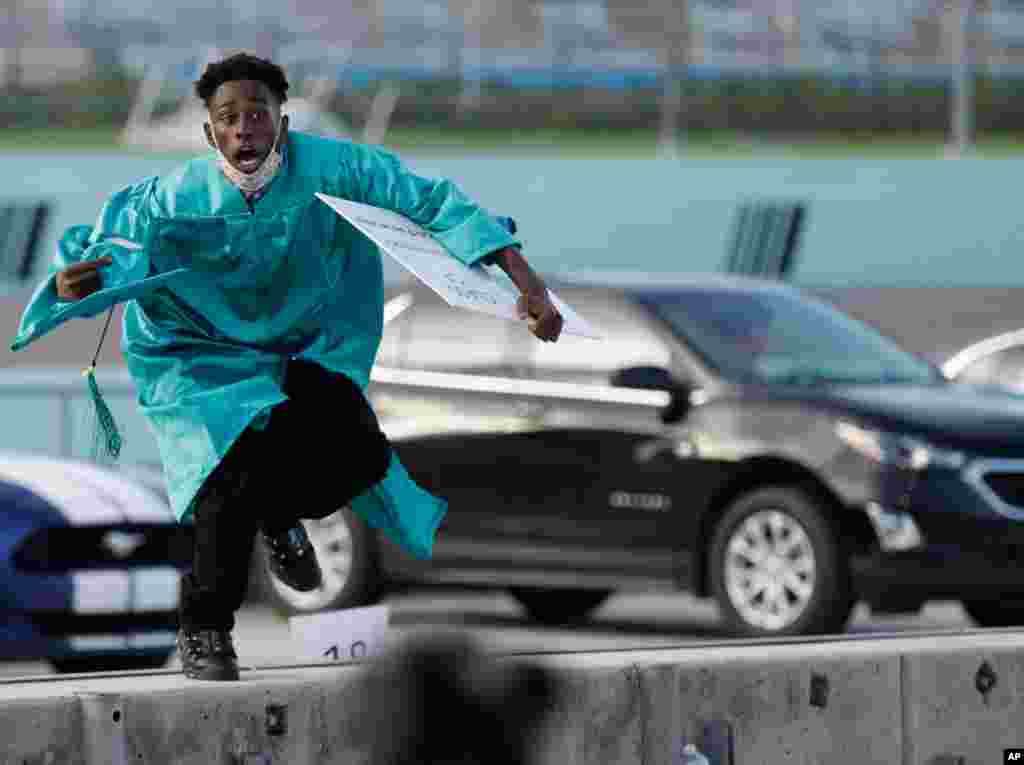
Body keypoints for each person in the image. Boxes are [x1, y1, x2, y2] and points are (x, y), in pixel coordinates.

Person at [10, 52, 563, 681]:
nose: (244, 128)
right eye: (229, 118)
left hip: (298, 346)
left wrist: (528, 283)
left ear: (283, 121)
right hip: (196, 355)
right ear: (209, 132)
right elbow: (114, 251)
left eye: (257, 114)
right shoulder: (171, 197)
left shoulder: (335, 168)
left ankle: (279, 516)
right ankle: (206, 631)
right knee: (226, 478)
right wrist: (74, 281)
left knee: (357, 452)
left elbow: (434, 204)